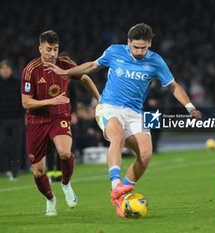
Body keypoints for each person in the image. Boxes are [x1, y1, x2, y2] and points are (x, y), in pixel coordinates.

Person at [45, 23, 202, 218]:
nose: (139, 51)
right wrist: (66, 72)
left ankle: (122, 194)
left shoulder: (156, 61)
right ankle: (115, 185)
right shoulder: (114, 51)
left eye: (143, 47)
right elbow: (93, 65)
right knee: (117, 136)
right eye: (135, 47)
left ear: (150, 44)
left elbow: (174, 86)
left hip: (135, 112)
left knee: (145, 155)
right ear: (128, 42)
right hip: (109, 107)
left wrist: (190, 107)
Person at [21, 30, 100, 216]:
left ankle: (66, 184)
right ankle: (50, 199)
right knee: (38, 172)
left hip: (60, 117)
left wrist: (100, 99)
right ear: (40, 49)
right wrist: (50, 101)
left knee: (65, 152)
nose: (52, 53)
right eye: (48, 49)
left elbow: (86, 78)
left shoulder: (65, 64)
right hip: (36, 120)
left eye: (55, 49)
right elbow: (26, 102)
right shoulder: (30, 70)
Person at [0, 59, 25, 180]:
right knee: (2, 144)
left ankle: (14, 171)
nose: (4, 70)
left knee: (17, 145)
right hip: (2, 120)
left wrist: (24, 116)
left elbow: (24, 100)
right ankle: (10, 165)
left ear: (10, 69)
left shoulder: (17, 83)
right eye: (2, 68)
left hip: (17, 119)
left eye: (6, 68)